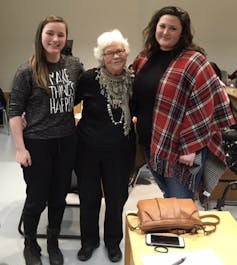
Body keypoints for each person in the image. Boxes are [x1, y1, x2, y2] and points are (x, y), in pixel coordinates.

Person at [132, 6, 235, 206]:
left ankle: (184, 236)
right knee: (170, 199)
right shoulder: (144, 58)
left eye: (173, 28)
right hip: (151, 143)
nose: (165, 32)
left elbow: (205, 106)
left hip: (182, 149)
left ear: (182, 33)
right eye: (162, 26)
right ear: (154, 28)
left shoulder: (194, 61)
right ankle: (173, 235)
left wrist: (191, 148)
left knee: (182, 204)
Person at [8, 15, 84, 265]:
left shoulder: (73, 65)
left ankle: (53, 242)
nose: (55, 39)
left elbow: (86, 91)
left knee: (59, 196)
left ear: (66, 38)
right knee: (37, 198)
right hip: (37, 143)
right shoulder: (27, 70)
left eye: (60, 34)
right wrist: (20, 148)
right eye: (50, 33)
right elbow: (15, 111)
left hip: (66, 141)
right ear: (40, 36)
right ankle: (31, 243)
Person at [74, 29, 134, 262]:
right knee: (88, 198)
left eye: (120, 51)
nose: (116, 56)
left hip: (120, 151)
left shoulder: (132, 81)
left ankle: (112, 242)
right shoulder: (89, 79)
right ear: (102, 56)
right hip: (87, 150)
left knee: (116, 199)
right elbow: (68, 103)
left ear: (126, 53)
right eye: (110, 52)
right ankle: (88, 242)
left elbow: (140, 109)